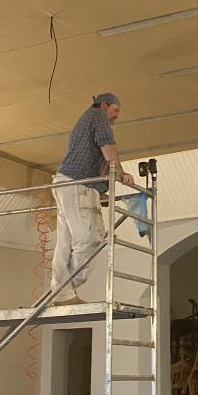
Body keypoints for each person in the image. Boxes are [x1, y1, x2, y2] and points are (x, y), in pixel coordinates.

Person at [51, 93, 133, 304]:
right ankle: (64, 291)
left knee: (65, 243)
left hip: (64, 183)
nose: (116, 116)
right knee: (91, 240)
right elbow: (108, 147)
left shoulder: (86, 120)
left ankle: (60, 292)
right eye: (115, 110)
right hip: (78, 184)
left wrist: (100, 193)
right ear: (104, 105)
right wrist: (121, 173)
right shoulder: (98, 115)